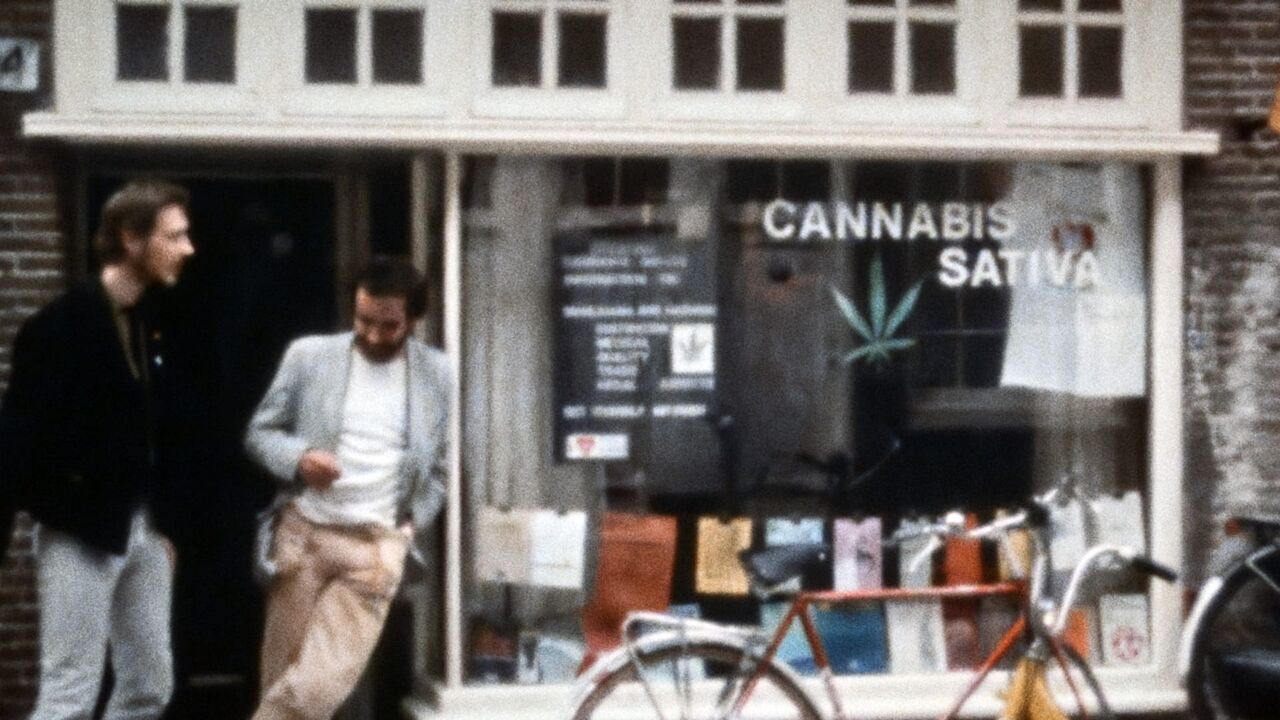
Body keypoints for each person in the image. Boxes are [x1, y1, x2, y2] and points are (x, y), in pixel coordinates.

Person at [0, 179, 194, 720]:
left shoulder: (149, 324)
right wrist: (71, 504)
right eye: (174, 236)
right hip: (80, 532)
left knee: (149, 686)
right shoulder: (56, 328)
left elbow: (160, 432)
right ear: (132, 238)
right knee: (70, 694)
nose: (188, 248)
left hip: (142, 528)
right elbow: (16, 445)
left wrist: (163, 526)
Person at [246, 256, 449, 720]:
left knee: (312, 693)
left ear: (415, 319)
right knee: (279, 685)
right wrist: (299, 458)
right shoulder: (308, 356)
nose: (373, 335)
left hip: (373, 550)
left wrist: (410, 526)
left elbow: (439, 469)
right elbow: (259, 433)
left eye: (389, 325)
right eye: (363, 320)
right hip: (303, 538)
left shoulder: (436, 373)